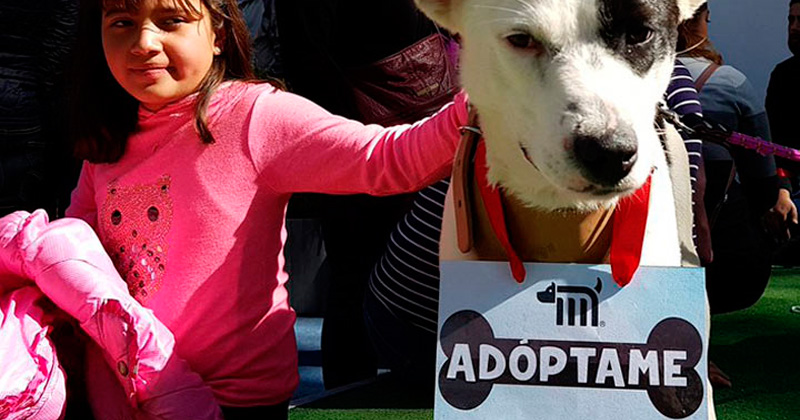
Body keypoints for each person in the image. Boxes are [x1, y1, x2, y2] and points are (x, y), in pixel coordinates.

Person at [0, 0, 469, 418]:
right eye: (121, 22)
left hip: (238, 403)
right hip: (127, 396)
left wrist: (485, 103)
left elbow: (387, 159)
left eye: (171, 20)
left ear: (219, 34)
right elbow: (80, 268)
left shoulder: (256, 117)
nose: (143, 43)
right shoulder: (105, 141)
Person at [362, 60, 709, 399]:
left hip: (451, 320)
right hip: (433, 322)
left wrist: (675, 354)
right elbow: (687, 222)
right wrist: (676, 352)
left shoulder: (511, 76)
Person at [677, 2, 792, 315]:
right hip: (727, 266)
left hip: (644, 255)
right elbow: (763, 183)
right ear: (703, 19)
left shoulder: (634, 82)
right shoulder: (731, 83)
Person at [766, 0, 800, 259]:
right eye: (791, 20)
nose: (794, 27)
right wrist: (782, 189)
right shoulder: (784, 76)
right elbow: (777, 145)